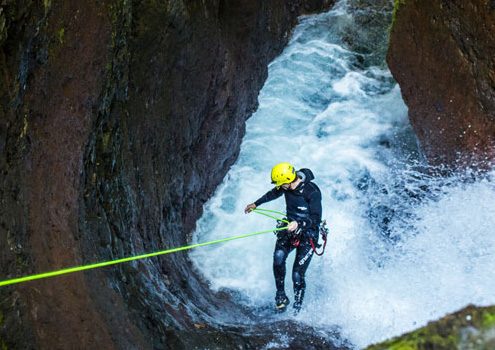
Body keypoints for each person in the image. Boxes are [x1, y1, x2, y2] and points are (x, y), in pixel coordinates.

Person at [245, 162, 322, 313]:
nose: (280, 186)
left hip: (309, 233)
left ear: (288, 180)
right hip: (289, 228)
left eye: (281, 184)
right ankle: (281, 295)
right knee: (278, 257)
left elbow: (316, 218)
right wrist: (256, 204)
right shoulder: (285, 186)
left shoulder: (312, 191)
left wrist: (299, 223)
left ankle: (297, 308)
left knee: (297, 275)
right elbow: (273, 193)